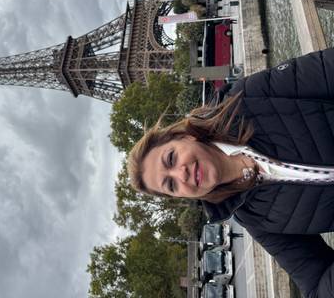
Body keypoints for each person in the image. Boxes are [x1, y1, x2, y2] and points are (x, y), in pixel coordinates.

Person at [128, 47, 334, 298]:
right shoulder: (256, 220)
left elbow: (326, 68)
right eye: (171, 185)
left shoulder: (246, 100)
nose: (181, 175)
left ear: (184, 135)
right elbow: (316, 284)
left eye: (171, 158)